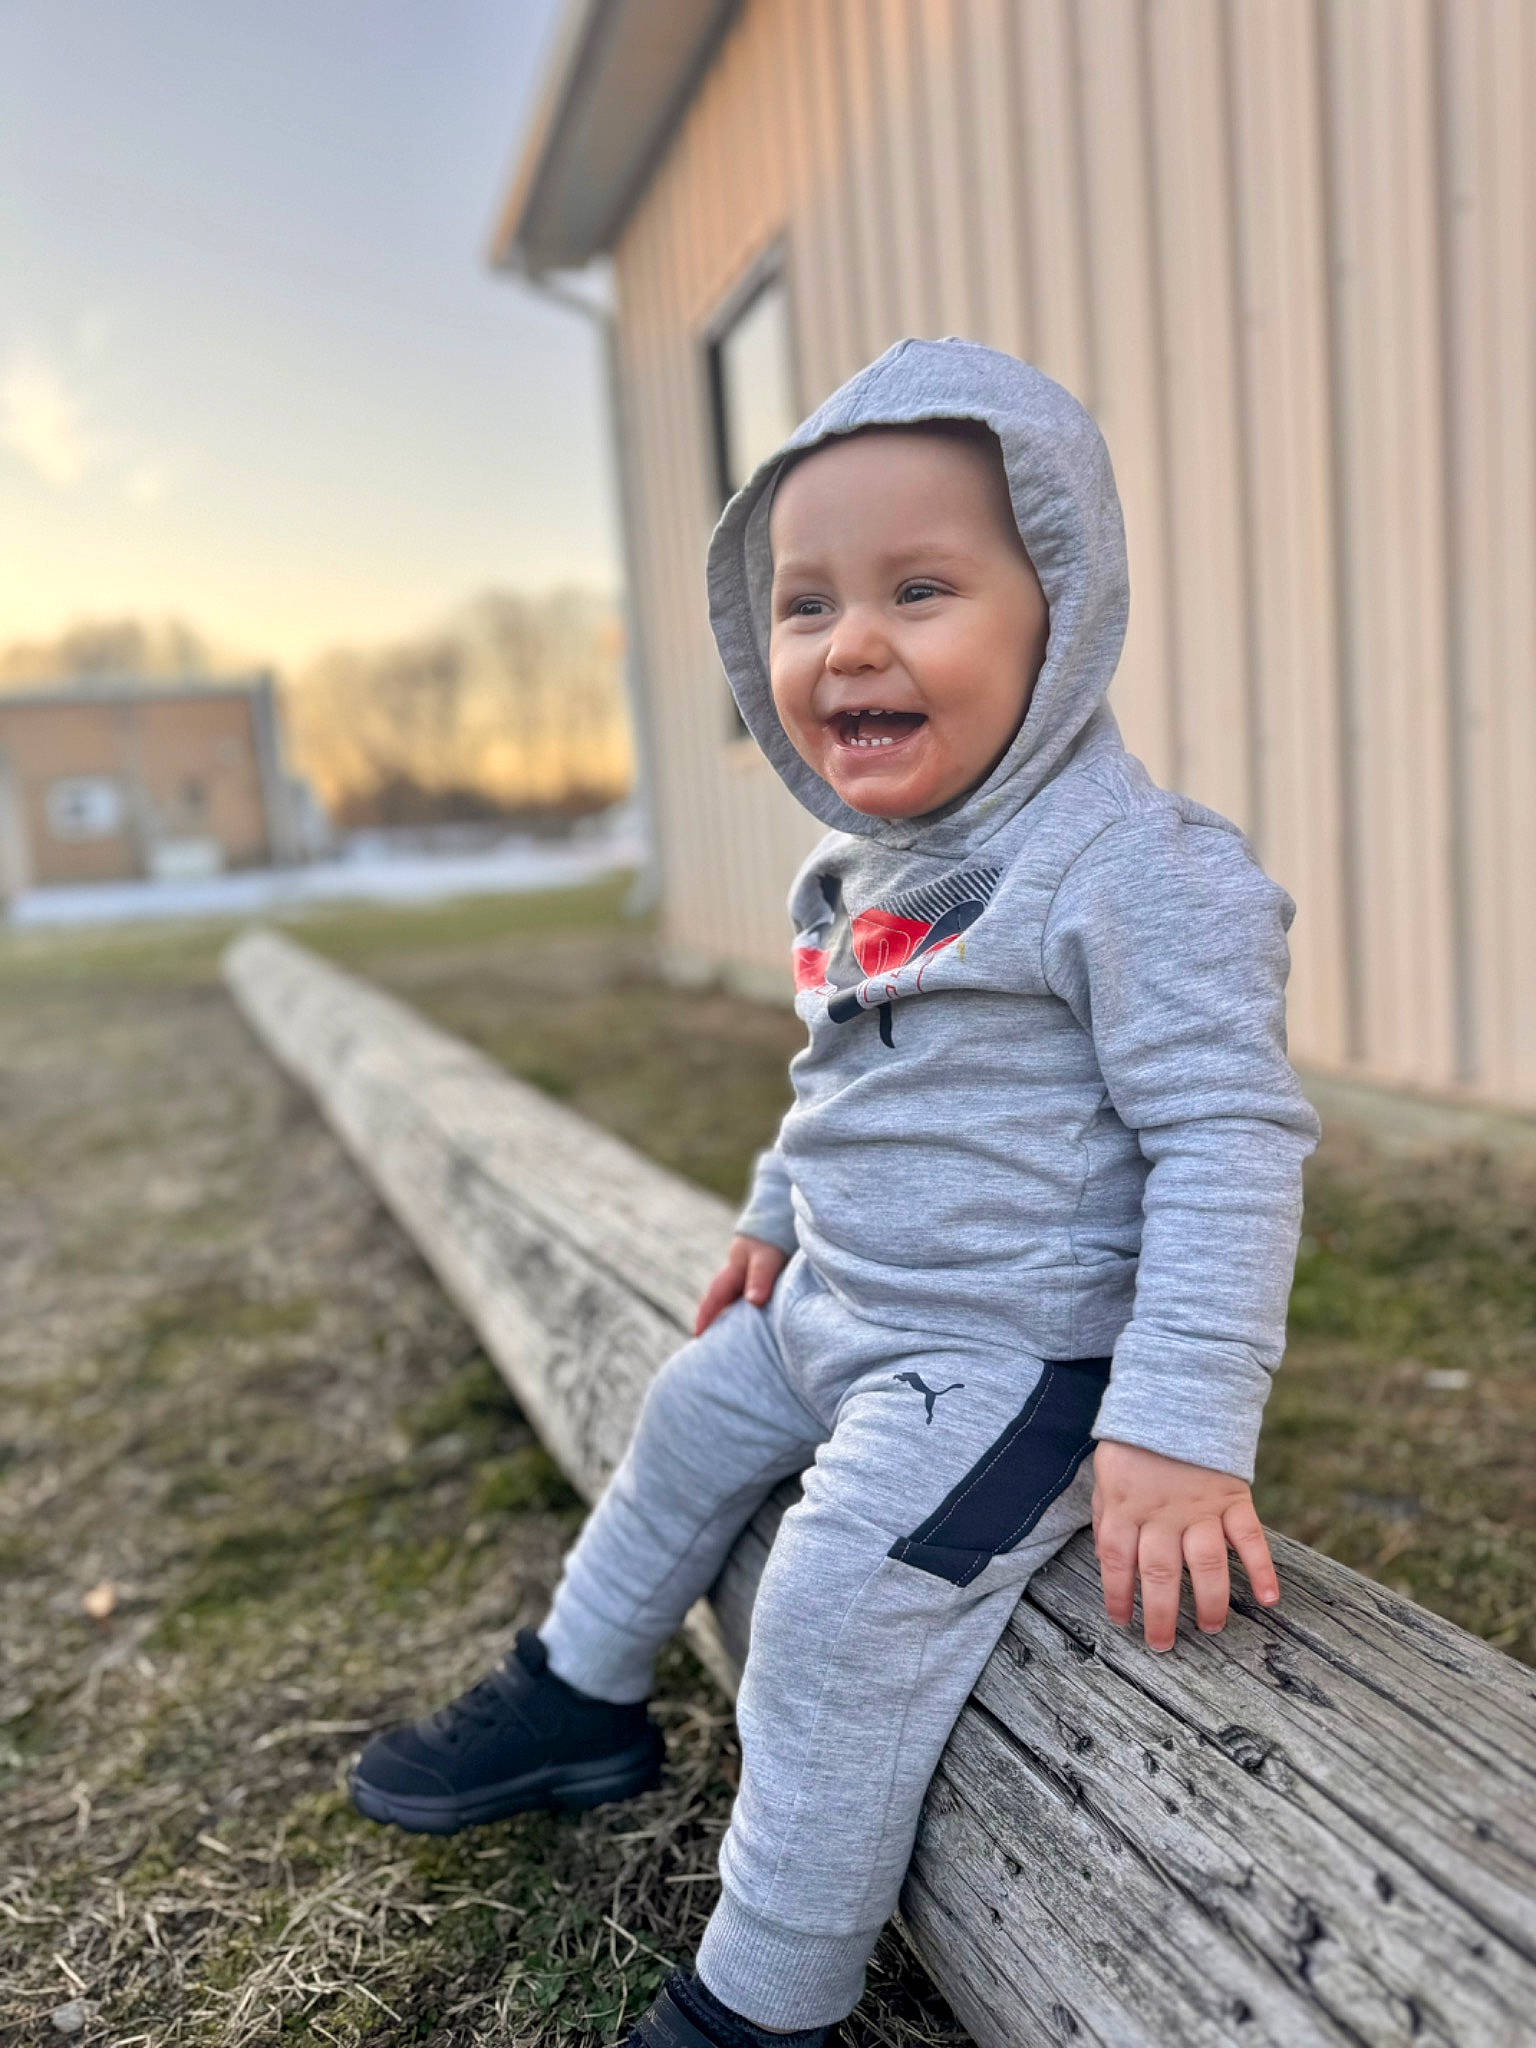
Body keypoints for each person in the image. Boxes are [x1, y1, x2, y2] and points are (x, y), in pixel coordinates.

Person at [348, 337, 1322, 2046]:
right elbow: (844, 1081)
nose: (850, 643)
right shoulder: (854, 871)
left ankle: (762, 1999)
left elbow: (1230, 1140)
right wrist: (770, 1218)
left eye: (919, 590)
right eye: (805, 606)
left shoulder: (1136, 872)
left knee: (827, 1605)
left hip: (1008, 1361)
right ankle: (579, 1694)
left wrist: (1178, 1423)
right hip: (838, 1307)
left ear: (1062, 611)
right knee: (681, 1421)